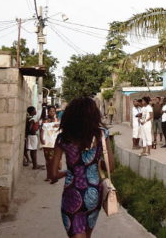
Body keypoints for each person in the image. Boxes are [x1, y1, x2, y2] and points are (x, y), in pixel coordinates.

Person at [49, 97, 114, 238]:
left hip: (72, 196)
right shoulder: (102, 134)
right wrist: (92, 165)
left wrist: (68, 172)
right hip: (94, 195)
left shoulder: (63, 138)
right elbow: (111, 166)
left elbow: (53, 174)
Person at [40, 105, 61, 181]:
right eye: (50, 111)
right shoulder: (45, 121)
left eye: (53, 111)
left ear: (55, 112)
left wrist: (58, 126)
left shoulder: (57, 120)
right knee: (48, 161)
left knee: (52, 160)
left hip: (55, 144)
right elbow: (42, 130)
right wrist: (41, 139)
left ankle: (53, 176)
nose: (52, 112)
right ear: (48, 112)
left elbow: (60, 131)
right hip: (46, 143)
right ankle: (48, 175)